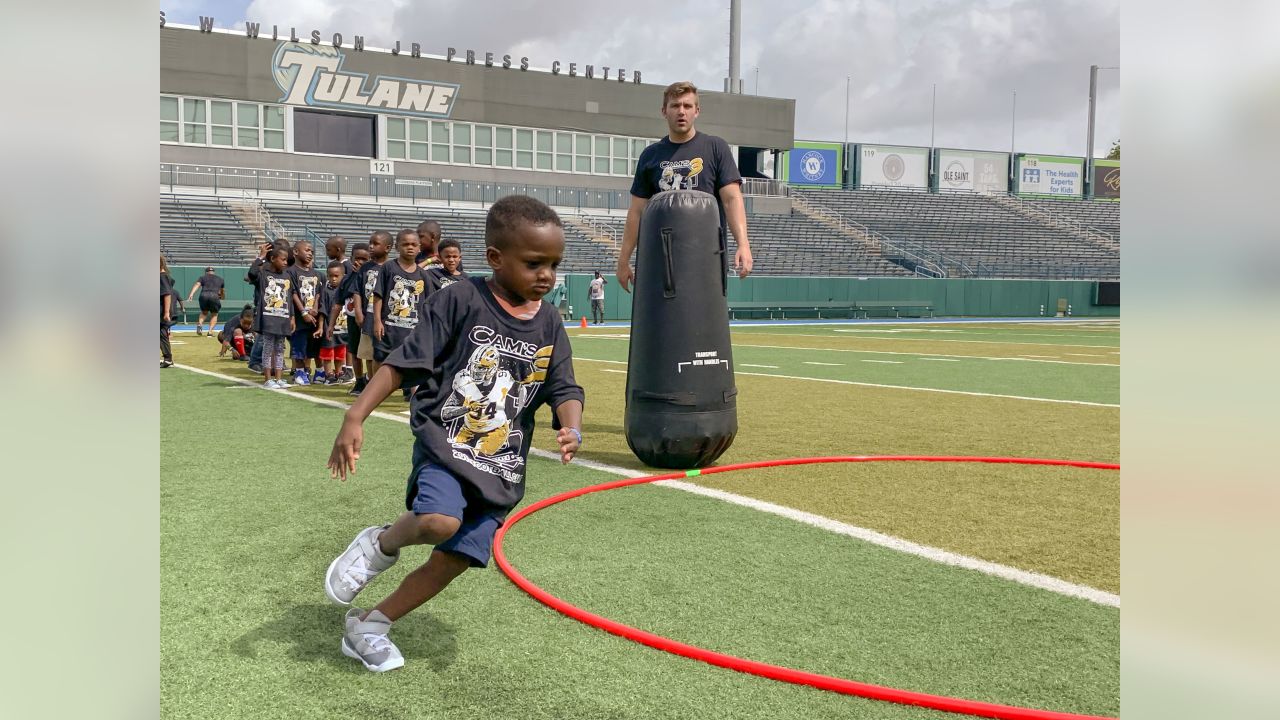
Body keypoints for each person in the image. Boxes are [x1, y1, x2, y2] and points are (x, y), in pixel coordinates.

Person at [324, 195, 584, 673]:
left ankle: (371, 625)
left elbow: (563, 384)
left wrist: (572, 425)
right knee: (438, 521)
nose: (546, 275)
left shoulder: (549, 321)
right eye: (534, 263)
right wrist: (354, 417)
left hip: (500, 466)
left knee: (457, 557)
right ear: (495, 259)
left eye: (553, 264)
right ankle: (379, 544)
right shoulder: (461, 298)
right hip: (447, 444)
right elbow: (404, 362)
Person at [616, 81, 754, 293]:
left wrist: (743, 244)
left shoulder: (715, 148)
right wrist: (623, 260)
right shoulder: (650, 156)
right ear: (664, 111)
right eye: (675, 106)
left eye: (688, 106)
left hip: (706, 261)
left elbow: (731, 199)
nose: (681, 111)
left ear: (697, 111)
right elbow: (637, 212)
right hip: (661, 263)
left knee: (705, 325)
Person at [372, 229, 433, 402]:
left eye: (414, 244)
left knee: (413, 361)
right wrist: (377, 320)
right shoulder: (388, 268)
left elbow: (428, 303)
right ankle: (377, 389)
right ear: (397, 247)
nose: (410, 248)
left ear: (419, 248)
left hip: (413, 329)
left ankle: (413, 394)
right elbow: (378, 296)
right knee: (380, 357)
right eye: (405, 244)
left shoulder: (423, 276)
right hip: (389, 326)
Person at [353, 231, 391, 394]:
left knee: (382, 353)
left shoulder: (391, 268)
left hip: (385, 318)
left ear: (387, 248)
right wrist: (358, 312)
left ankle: (383, 385)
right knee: (369, 354)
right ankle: (371, 382)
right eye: (370, 243)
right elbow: (357, 291)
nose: (371, 246)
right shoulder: (366, 268)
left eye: (375, 243)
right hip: (368, 317)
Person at [256, 248, 295, 389]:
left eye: (286, 260)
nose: (285, 263)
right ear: (273, 259)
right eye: (283, 259)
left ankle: (278, 379)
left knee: (280, 348)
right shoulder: (264, 274)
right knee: (268, 348)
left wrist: (292, 316)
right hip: (268, 317)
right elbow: (251, 273)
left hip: (283, 317)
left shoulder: (287, 276)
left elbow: (289, 297)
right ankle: (267, 379)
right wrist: (260, 257)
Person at [289, 240, 326, 385]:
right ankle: (299, 371)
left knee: (315, 346)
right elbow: (292, 294)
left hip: (315, 318)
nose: (310, 253)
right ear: (296, 252)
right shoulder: (290, 272)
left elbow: (319, 294)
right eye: (307, 250)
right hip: (299, 318)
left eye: (312, 251)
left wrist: (315, 309)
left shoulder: (318, 274)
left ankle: (319, 371)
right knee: (299, 345)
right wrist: (304, 312)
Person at [341, 243, 371, 392]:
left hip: (370, 318)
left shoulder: (373, 275)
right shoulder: (347, 277)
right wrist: (356, 275)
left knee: (370, 352)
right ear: (351, 258)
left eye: (364, 259)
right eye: (357, 258)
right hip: (353, 318)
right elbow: (343, 294)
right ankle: (359, 381)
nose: (360, 262)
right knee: (354, 350)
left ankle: (371, 379)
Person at [320, 261, 348, 385]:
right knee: (328, 352)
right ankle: (328, 374)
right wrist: (321, 327)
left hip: (343, 329)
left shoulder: (347, 292)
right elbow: (322, 312)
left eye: (337, 276)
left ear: (343, 276)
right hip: (330, 330)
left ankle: (339, 372)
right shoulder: (326, 292)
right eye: (331, 276)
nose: (334, 279)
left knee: (340, 353)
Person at [185, 267, 226, 336]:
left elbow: (197, 285)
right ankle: (210, 332)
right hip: (214, 296)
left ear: (206, 272)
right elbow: (222, 291)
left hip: (203, 295)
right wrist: (222, 297)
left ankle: (200, 324)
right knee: (214, 314)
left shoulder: (202, 277)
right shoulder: (220, 279)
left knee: (204, 312)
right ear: (214, 272)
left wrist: (191, 294)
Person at [160, 256, 175, 368]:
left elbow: (167, 294)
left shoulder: (162, 276)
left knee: (161, 333)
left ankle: (168, 358)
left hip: (161, 310)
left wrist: (166, 312)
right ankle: (168, 358)